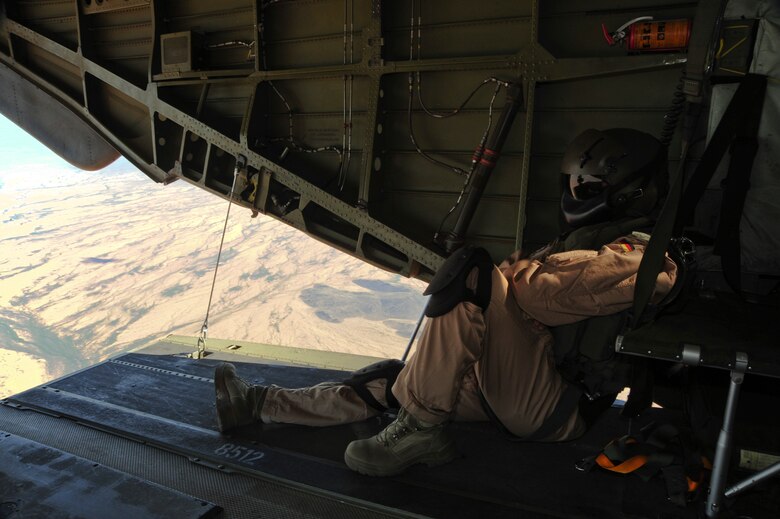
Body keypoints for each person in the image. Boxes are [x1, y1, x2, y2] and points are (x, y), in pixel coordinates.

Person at [214, 128, 678, 477]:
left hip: (555, 405)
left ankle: (420, 432)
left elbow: (538, 295)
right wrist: (516, 278)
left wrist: (508, 278)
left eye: (590, 188)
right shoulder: (580, 242)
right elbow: (529, 287)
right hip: (518, 384)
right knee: (395, 383)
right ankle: (260, 404)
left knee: (471, 270)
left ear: (630, 192)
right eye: (575, 184)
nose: (576, 194)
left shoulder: (644, 255)